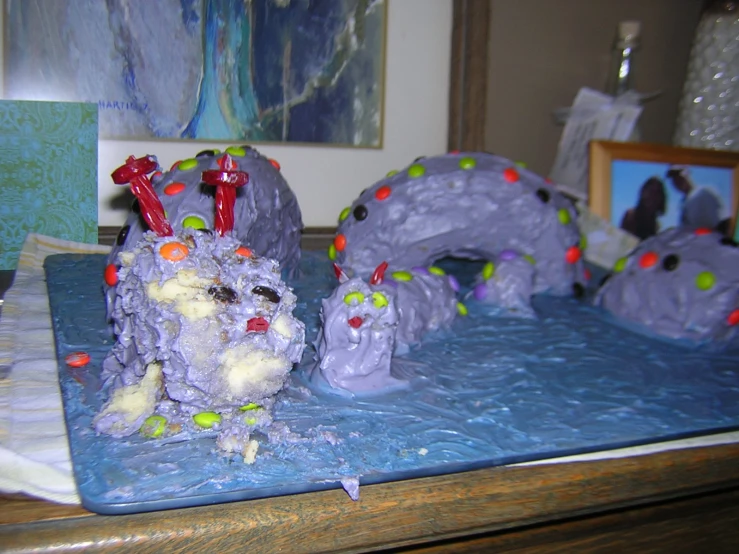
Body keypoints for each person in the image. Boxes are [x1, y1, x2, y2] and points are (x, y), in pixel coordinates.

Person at [665, 165, 731, 236]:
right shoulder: (684, 202)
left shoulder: (704, 192)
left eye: (679, 176)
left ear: (687, 173)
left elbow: (721, 225)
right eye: (674, 178)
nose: (677, 180)